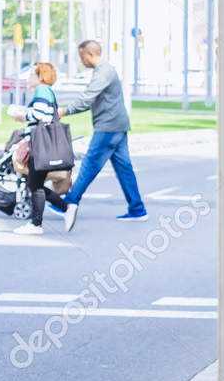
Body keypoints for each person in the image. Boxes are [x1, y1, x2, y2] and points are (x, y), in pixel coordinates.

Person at [56, 39, 145, 220]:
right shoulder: (104, 71)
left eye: (82, 57)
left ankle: (69, 202)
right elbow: (92, 100)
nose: (81, 61)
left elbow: (88, 98)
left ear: (90, 54)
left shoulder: (103, 72)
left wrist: (64, 111)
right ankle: (137, 209)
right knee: (124, 168)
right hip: (117, 125)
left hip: (109, 126)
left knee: (90, 164)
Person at [13, 61, 76, 235]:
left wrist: (19, 114)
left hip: (40, 143)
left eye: (32, 74)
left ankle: (38, 223)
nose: (28, 78)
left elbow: (39, 115)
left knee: (35, 184)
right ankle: (61, 210)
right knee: (35, 184)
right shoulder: (47, 91)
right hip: (44, 143)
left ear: (40, 76)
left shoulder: (41, 90)